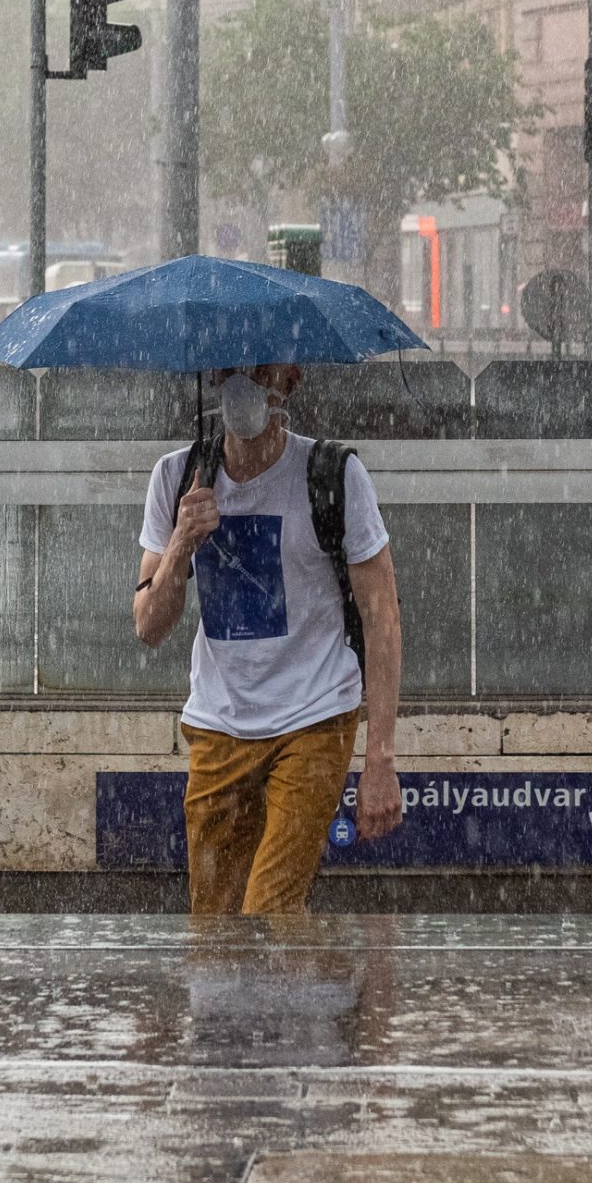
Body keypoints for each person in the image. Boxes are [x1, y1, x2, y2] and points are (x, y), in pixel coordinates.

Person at [134, 363, 404, 916]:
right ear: (210, 379)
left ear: (291, 380)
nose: (245, 385)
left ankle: (303, 989)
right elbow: (148, 625)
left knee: (268, 912)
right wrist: (183, 541)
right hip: (219, 725)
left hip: (314, 716)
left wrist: (379, 759)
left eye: (260, 370)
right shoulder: (178, 475)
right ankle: (322, 992)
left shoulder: (332, 474)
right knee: (215, 926)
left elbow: (383, 618)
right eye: (231, 370)